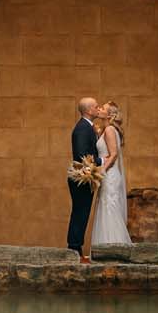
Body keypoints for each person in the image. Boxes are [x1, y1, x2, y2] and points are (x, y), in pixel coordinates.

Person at [91, 101, 131, 247]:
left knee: (109, 209)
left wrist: (102, 170)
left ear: (109, 114)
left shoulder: (109, 130)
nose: (100, 109)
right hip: (109, 174)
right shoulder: (106, 129)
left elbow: (113, 155)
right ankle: (106, 244)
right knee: (106, 208)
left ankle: (113, 245)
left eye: (103, 108)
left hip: (110, 174)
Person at [67, 95, 101, 255]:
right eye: (96, 106)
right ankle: (74, 247)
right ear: (88, 110)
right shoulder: (82, 128)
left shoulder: (88, 127)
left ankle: (75, 246)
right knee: (81, 212)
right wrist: (101, 160)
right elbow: (82, 156)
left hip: (85, 176)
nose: (98, 108)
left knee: (83, 212)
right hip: (81, 177)